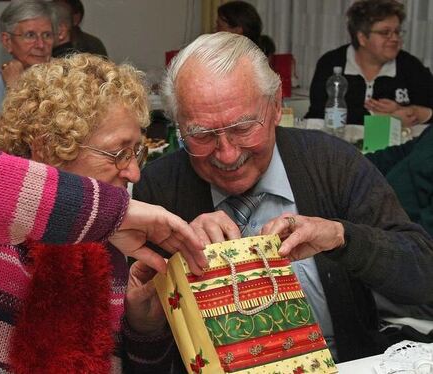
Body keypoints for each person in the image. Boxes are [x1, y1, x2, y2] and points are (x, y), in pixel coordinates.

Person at [129, 32, 433, 367]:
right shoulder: (157, 192)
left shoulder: (331, 163)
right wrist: (150, 314)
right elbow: (144, 355)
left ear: (275, 107)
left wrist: (341, 238)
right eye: (201, 135)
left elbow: (423, 276)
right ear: (178, 127)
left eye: (244, 128)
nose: (228, 155)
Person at [0, 53, 208, 373]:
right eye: (119, 153)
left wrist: (143, 329)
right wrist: (114, 212)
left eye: (136, 152)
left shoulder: (104, 254)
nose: (134, 173)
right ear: (46, 149)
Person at [306, 0, 433, 127]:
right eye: (385, 33)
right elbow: (319, 113)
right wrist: (386, 120)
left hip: (395, 146)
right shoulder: (331, 63)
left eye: (397, 32)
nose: (395, 38)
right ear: (362, 38)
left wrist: (414, 111)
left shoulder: (410, 66)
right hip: (338, 144)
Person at [0, 1, 53, 149]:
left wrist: (15, 87)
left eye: (47, 35)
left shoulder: (63, 82)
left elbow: (37, 147)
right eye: (30, 35)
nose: (41, 45)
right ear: (7, 41)